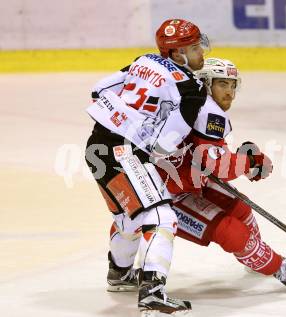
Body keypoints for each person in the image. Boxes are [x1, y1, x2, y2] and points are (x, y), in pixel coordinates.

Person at [85, 18, 211, 315]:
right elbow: (166, 145)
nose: (201, 54)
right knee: (161, 217)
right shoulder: (192, 87)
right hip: (125, 154)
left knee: (130, 220)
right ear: (177, 54)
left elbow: (98, 90)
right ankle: (152, 293)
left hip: (95, 148)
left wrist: (131, 117)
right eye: (194, 48)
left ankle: (119, 273)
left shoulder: (145, 60)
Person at [161, 57, 286, 293]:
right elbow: (218, 166)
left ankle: (256, 255)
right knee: (232, 232)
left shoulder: (197, 104)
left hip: (187, 179)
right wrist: (249, 163)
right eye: (222, 84)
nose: (230, 93)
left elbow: (211, 156)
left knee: (241, 209)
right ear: (206, 83)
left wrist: (242, 161)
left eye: (232, 85)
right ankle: (276, 266)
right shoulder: (207, 111)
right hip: (165, 193)